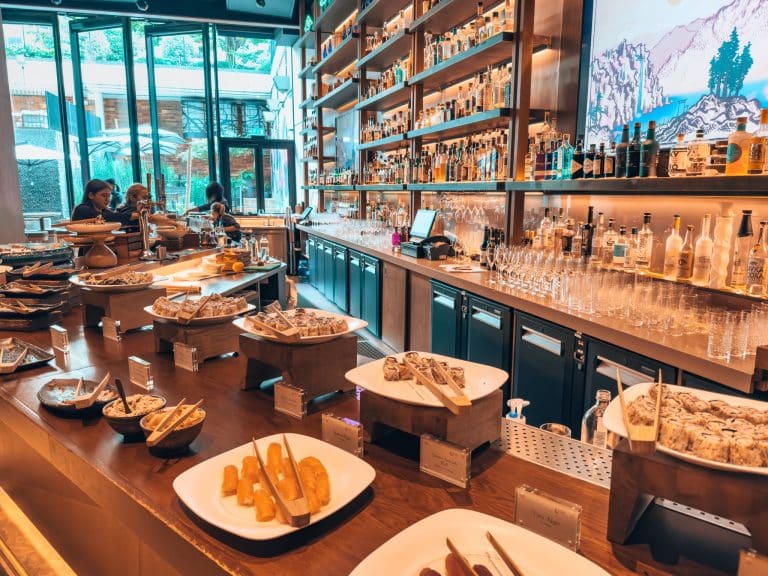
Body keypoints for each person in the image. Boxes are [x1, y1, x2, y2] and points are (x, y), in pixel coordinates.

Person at [71, 179, 175, 227]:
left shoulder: (105, 210)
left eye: (109, 196)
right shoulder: (82, 209)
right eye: (103, 196)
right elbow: (107, 218)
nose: (107, 200)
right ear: (91, 195)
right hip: (87, 254)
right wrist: (135, 215)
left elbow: (113, 216)